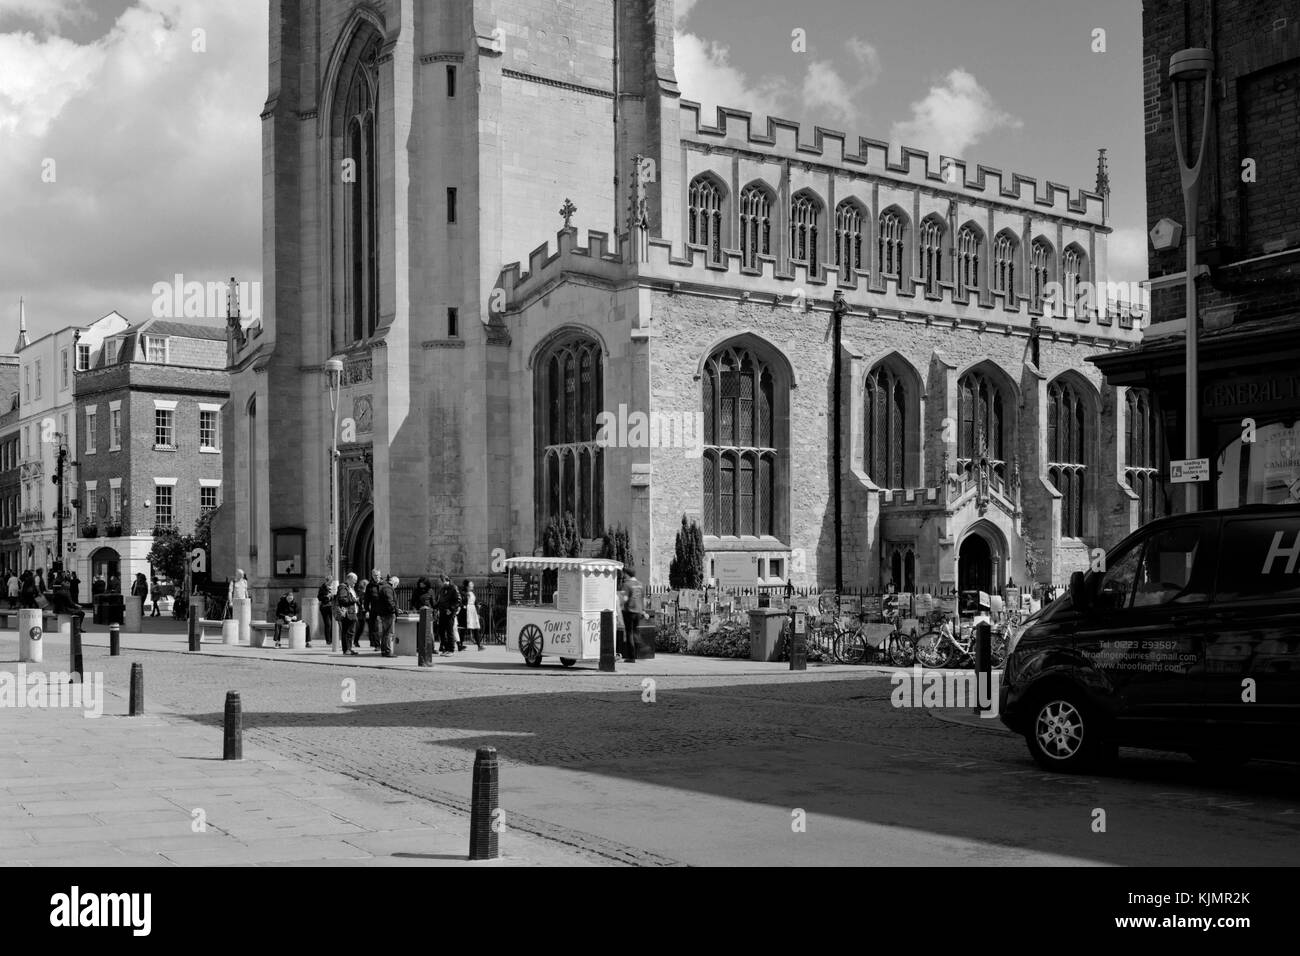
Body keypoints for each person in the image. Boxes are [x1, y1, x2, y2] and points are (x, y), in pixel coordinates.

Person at [620, 568, 643, 663]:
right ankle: (639, 652)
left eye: (624, 574)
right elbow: (643, 598)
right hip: (638, 611)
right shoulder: (640, 584)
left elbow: (624, 599)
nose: (623, 576)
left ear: (627, 574)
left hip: (629, 611)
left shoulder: (627, 584)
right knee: (635, 632)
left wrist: (619, 603)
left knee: (629, 633)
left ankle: (631, 657)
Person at [372, 575, 398, 657]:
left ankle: (384, 650)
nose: (396, 587)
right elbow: (389, 601)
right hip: (388, 613)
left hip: (384, 613)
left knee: (385, 633)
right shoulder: (388, 588)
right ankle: (387, 651)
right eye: (396, 585)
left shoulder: (385, 587)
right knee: (388, 633)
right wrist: (394, 610)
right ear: (395, 583)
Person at [335, 573, 360, 655]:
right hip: (348, 613)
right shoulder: (343, 588)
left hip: (352, 613)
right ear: (349, 579)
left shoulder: (349, 588)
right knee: (348, 632)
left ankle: (348, 649)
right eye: (354, 581)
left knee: (349, 632)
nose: (355, 583)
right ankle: (347, 649)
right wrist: (354, 600)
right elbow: (343, 600)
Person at [435, 575, 460, 655]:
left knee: (449, 631)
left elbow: (458, 600)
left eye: (441, 582)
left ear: (446, 580)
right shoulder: (442, 589)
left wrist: (451, 609)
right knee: (441, 631)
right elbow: (439, 601)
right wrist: (435, 607)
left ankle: (451, 649)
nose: (439, 584)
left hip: (449, 613)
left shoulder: (453, 588)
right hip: (442, 612)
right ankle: (445, 649)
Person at [362, 569, 383, 649]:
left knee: (385, 628)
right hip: (373, 609)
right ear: (372, 576)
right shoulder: (369, 586)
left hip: (383, 609)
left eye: (377, 575)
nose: (376, 577)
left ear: (380, 575)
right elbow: (366, 599)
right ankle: (377, 645)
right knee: (374, 628)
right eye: (374, 575)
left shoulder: (384, 584)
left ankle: (384, 644)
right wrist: (366, 610)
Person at [463, 580, 482, 650]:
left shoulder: (472, 593)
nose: (473, 585)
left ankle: (479, 645)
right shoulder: (465, 593)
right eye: (471, 584)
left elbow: (475, 602)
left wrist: (477, 611)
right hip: (468, 611)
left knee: (475, 628)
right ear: (468, 586)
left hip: (472, 610)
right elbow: (463, 602)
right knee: (463, 628)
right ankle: (460, 644)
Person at [317, 577, 336, 647]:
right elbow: (319, 597)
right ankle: (328, 640)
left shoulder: (334, 587)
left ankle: (333, 639)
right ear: (327, 581)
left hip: (333, 607)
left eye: (332, 581)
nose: (331, 583)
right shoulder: (322, 587)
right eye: (330, 581)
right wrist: (327, 596)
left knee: (333, 623)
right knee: (328, 624)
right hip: (325, 607)